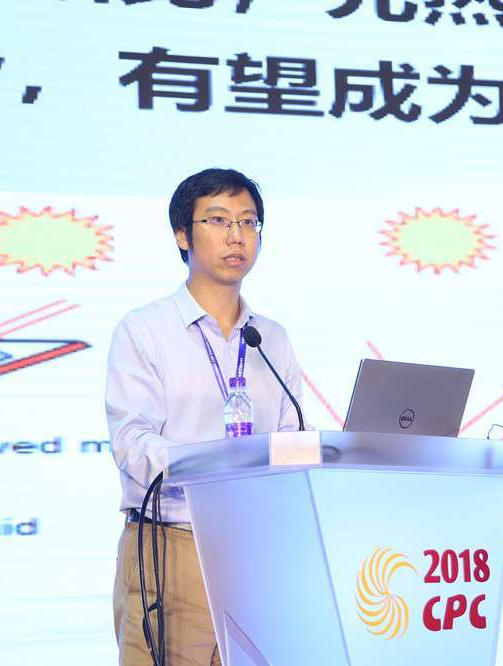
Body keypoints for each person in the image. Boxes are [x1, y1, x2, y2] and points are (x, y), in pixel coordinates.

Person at [105, 168, 305, 666]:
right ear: (182, 234)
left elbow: (291, 435)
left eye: (248, 222)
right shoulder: (145, 330)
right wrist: (211, 464)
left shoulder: (270, 338)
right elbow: (132, 441)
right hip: (174, 546)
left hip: (257, 551)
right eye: (218, 220)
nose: (237, 235)